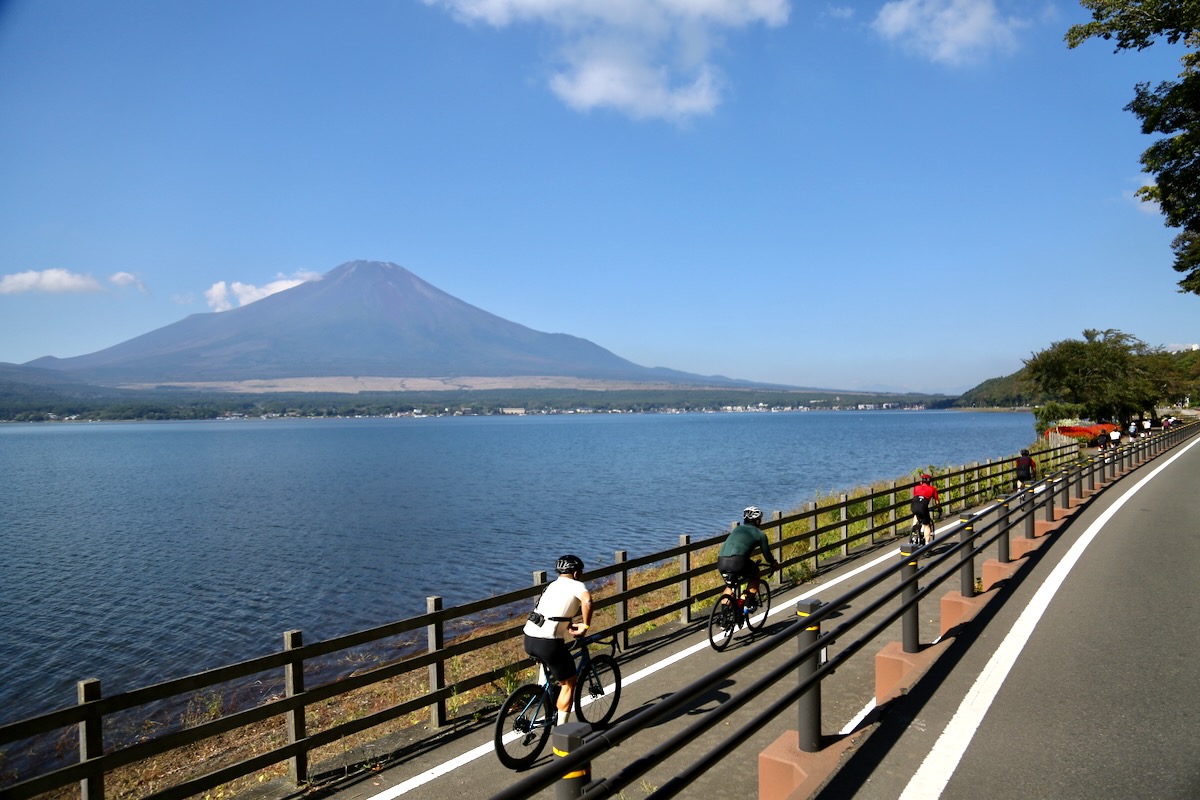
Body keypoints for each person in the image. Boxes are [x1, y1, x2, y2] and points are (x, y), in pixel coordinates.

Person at [523, 554, 593, 726]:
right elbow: (588, 601)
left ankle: (542, 694)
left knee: (549, 662)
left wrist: (568, 624)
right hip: (548, 642)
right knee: (569, 683)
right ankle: (562, 731)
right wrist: (585, 626)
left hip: (529, 638)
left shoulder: (551, 586)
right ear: (576, 573)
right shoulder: (577, 585)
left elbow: (553, 610)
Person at [716, 507, 779, 610]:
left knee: (730, 586)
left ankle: (724, 616)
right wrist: (774, 563)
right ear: (758, 521)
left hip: (721, 561)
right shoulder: (760, 534)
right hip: (738, 562)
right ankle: (748, 604)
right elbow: (767, 555)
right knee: (756, 574)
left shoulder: (737, 529)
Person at [909, 473, 941, 546]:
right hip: (923, 506)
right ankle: (927, 544)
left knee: (916, 514)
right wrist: (939, 509)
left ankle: (914, 530)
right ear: (929, 482)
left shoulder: (916, 487)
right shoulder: (932, 489)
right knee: (927, 525)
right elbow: (937, 501)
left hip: (914, 504)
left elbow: (917, 497)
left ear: (921, 481)